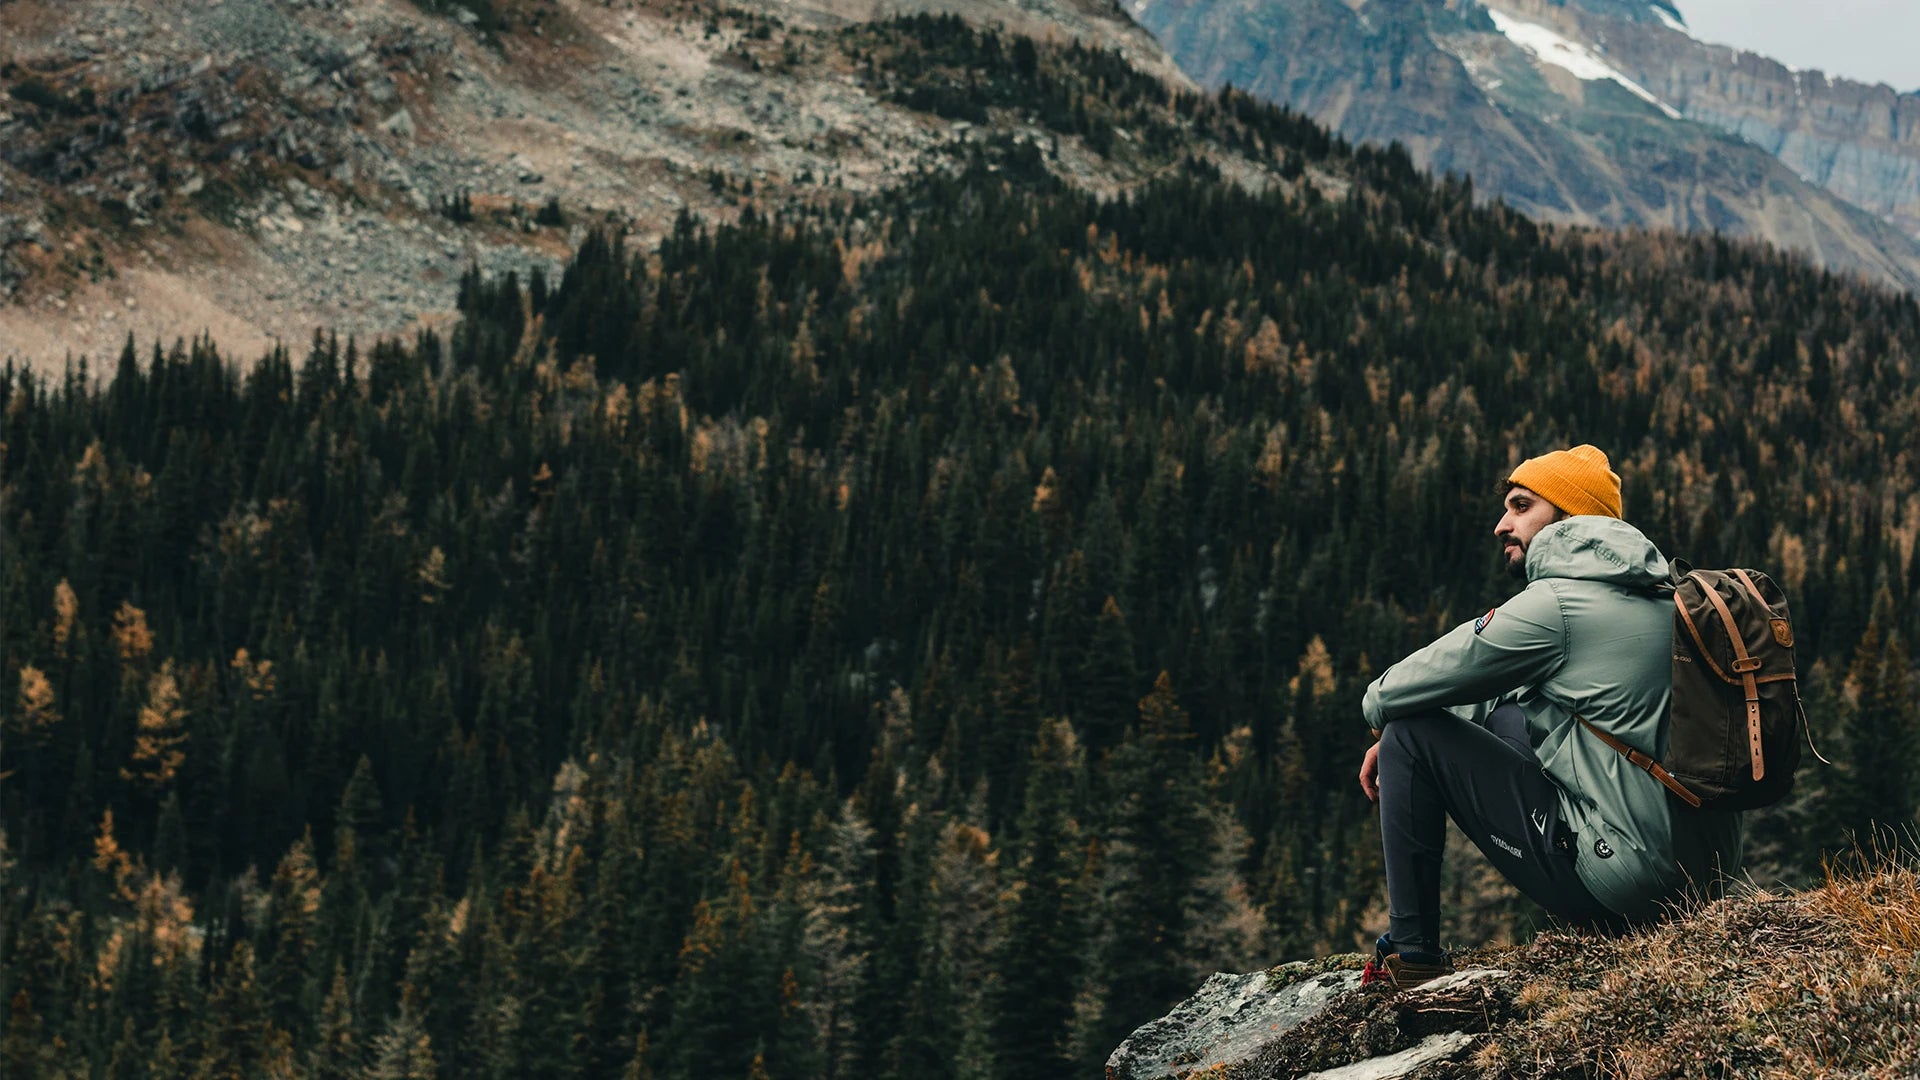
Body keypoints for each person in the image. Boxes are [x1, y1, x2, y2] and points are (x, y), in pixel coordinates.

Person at [1354, 444, 1743, 988]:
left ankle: (1411, 954)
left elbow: (1393, 691)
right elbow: (1505, 697)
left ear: (1567, 516)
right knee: (1508, 715)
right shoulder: (1661, 596)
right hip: (1701, 877)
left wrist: (1391, 739)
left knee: (1411, 735)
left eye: (1519, 506)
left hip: (1624, 881)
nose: (1500, 525)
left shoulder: (1558, 605)